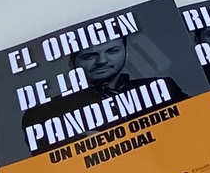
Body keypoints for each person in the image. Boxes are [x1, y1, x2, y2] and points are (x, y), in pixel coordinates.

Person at [20, 34, 186, 135]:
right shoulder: (43, 113)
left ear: (126, 54)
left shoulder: (163, 88)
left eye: (112, 51)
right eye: (89, 56)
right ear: (72, 63)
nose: (102, 61)